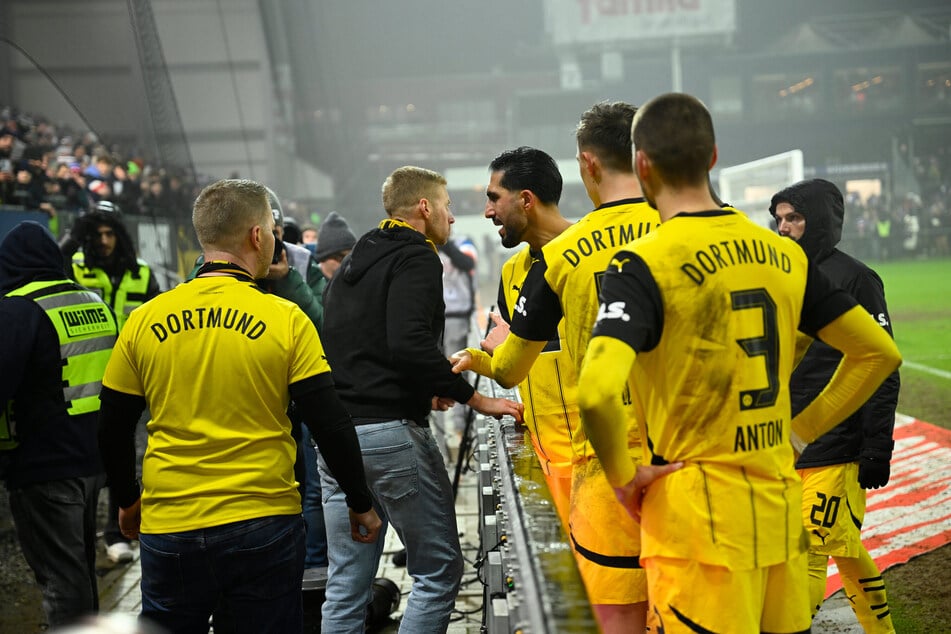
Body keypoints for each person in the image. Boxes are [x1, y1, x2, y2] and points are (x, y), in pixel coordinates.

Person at [576, 92, 902, 633]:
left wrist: (624, 479)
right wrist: (801, 432)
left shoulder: (642, 262)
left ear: (641, 164)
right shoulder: (783, 254)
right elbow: (879, 353)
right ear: (712, 158)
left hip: (695, 521)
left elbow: (595, 391)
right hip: (776, 507)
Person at [96, 178, 382, 634]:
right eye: (272, 229)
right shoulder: (286, 320)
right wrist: (359, 500)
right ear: (256, 236)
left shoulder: (143, 320)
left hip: (171, 525)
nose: (276, 239)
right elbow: (329, 422)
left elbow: (112, 426)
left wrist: (128, 501)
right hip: (262, 522)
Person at [452, 102, 660, 633]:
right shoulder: (685, 227)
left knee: (611, 614)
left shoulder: (564, 256)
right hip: (693, 460)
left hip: (605, 464)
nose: (488, 212)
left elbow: (510, 366)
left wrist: (484, 357)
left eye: (493, 199)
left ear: (588, 165)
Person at [317, 165, 524, 633]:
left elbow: (360, 348)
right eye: (448, 207)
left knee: (347, 580)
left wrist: (421, 388)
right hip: (390, 439)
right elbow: (408, 342)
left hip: (337, 440)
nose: (452, 219)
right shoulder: (418, 256)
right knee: (436, 572)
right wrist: (476, 399)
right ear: (425, 208)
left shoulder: (353, 262)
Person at [771, 178, 900, 632]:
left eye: (795, 218)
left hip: (836, 444)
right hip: (787, 441)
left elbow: (883, 366)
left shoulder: (855, 277)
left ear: (820, 221)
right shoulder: (780, 275)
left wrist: (875, 447)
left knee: (810, 550)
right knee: (843, 548)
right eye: (780, 219)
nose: (784, 227)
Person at [0, 221, 119, 627]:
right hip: (92, 459)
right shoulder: (93, 302)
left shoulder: (20, 309)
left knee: (61, 579)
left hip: (44, 464)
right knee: (80, 567)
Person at [479, 146, 576, 529]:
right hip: (542, 455)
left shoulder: (593, 257)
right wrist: (476, 358)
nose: (488, 212)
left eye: (493, 198)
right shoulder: (512, 271)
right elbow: (514, 360)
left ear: (526, 200)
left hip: (605, 455)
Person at [63, 202, 160, 564]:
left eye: (110, 233)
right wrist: (75, 233)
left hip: (131, 378)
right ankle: (85, 538)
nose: (104, 241)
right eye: (97, 234)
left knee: (128, 456)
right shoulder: (73, 268)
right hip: (87, 378)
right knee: (90, 460)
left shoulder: (142, 272)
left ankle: (116, 531)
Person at [432, 234, 478, 465]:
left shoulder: (464, 244)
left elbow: (467, 263)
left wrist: (445, 246)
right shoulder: (424, 246)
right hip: (434, 318)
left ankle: (462, 429)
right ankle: (443, 441)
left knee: (456, 369)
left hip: (457, 316)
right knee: (436, 374)